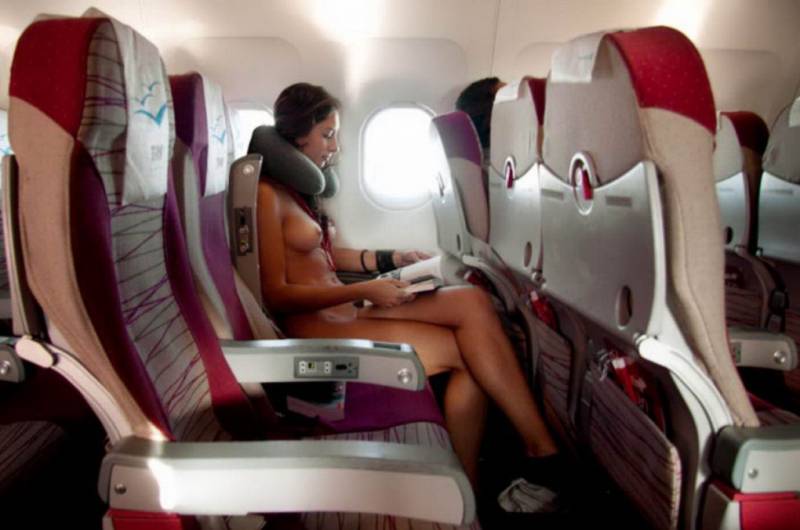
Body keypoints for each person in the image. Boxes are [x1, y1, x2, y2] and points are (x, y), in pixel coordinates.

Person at [254, 82, 559, 487]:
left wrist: (392, 259)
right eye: (327, 135)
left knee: (471, 300)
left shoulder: (301, 193)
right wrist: (363, 290)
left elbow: (327, 257)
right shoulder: (266, 196)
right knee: (468, 357)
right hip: (321, 329)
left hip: (346, 310)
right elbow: (276, 294)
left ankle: (533, 452)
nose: (335, 147)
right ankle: (492, 474)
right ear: (296, 136)